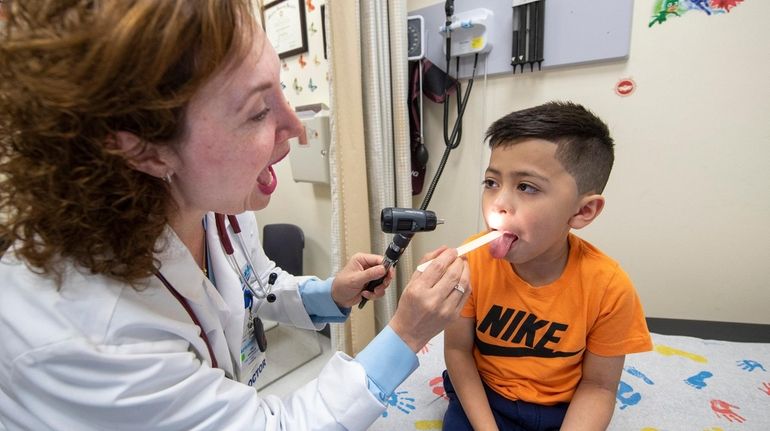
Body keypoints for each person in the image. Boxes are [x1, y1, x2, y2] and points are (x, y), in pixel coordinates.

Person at [0, 1, 471, 430]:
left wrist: (329, 294)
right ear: (141, 147)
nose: (297, 131)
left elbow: (254, 283)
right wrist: (405, 333)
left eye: (281, 92)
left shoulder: (206, 203)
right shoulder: (94, 337)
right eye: (258, 111)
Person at [442, 101, 652, 431]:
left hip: (563, 408)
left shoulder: (609, 287)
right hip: (485, 397)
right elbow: (457, 351)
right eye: (491, 183)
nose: (498, 204)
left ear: (583, 212)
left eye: (526, 187)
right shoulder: (471, 265)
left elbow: (599, 387)